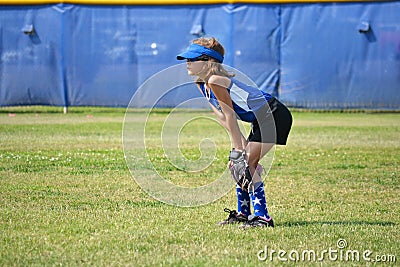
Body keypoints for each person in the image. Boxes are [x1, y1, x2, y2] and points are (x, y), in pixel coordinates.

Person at [177, 37, 292, 228]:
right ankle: (243, 213)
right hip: (260, 118)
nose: (188, 62)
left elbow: (230, 114)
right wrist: (238, 148)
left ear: (210, 62)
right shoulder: (202, 84)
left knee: (247, 165)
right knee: (235, 165)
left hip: (274, 114)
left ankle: (263, 218)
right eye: (187, 58)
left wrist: (239, 148)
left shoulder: (215, 80)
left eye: (193, 58)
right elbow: (222, 117)